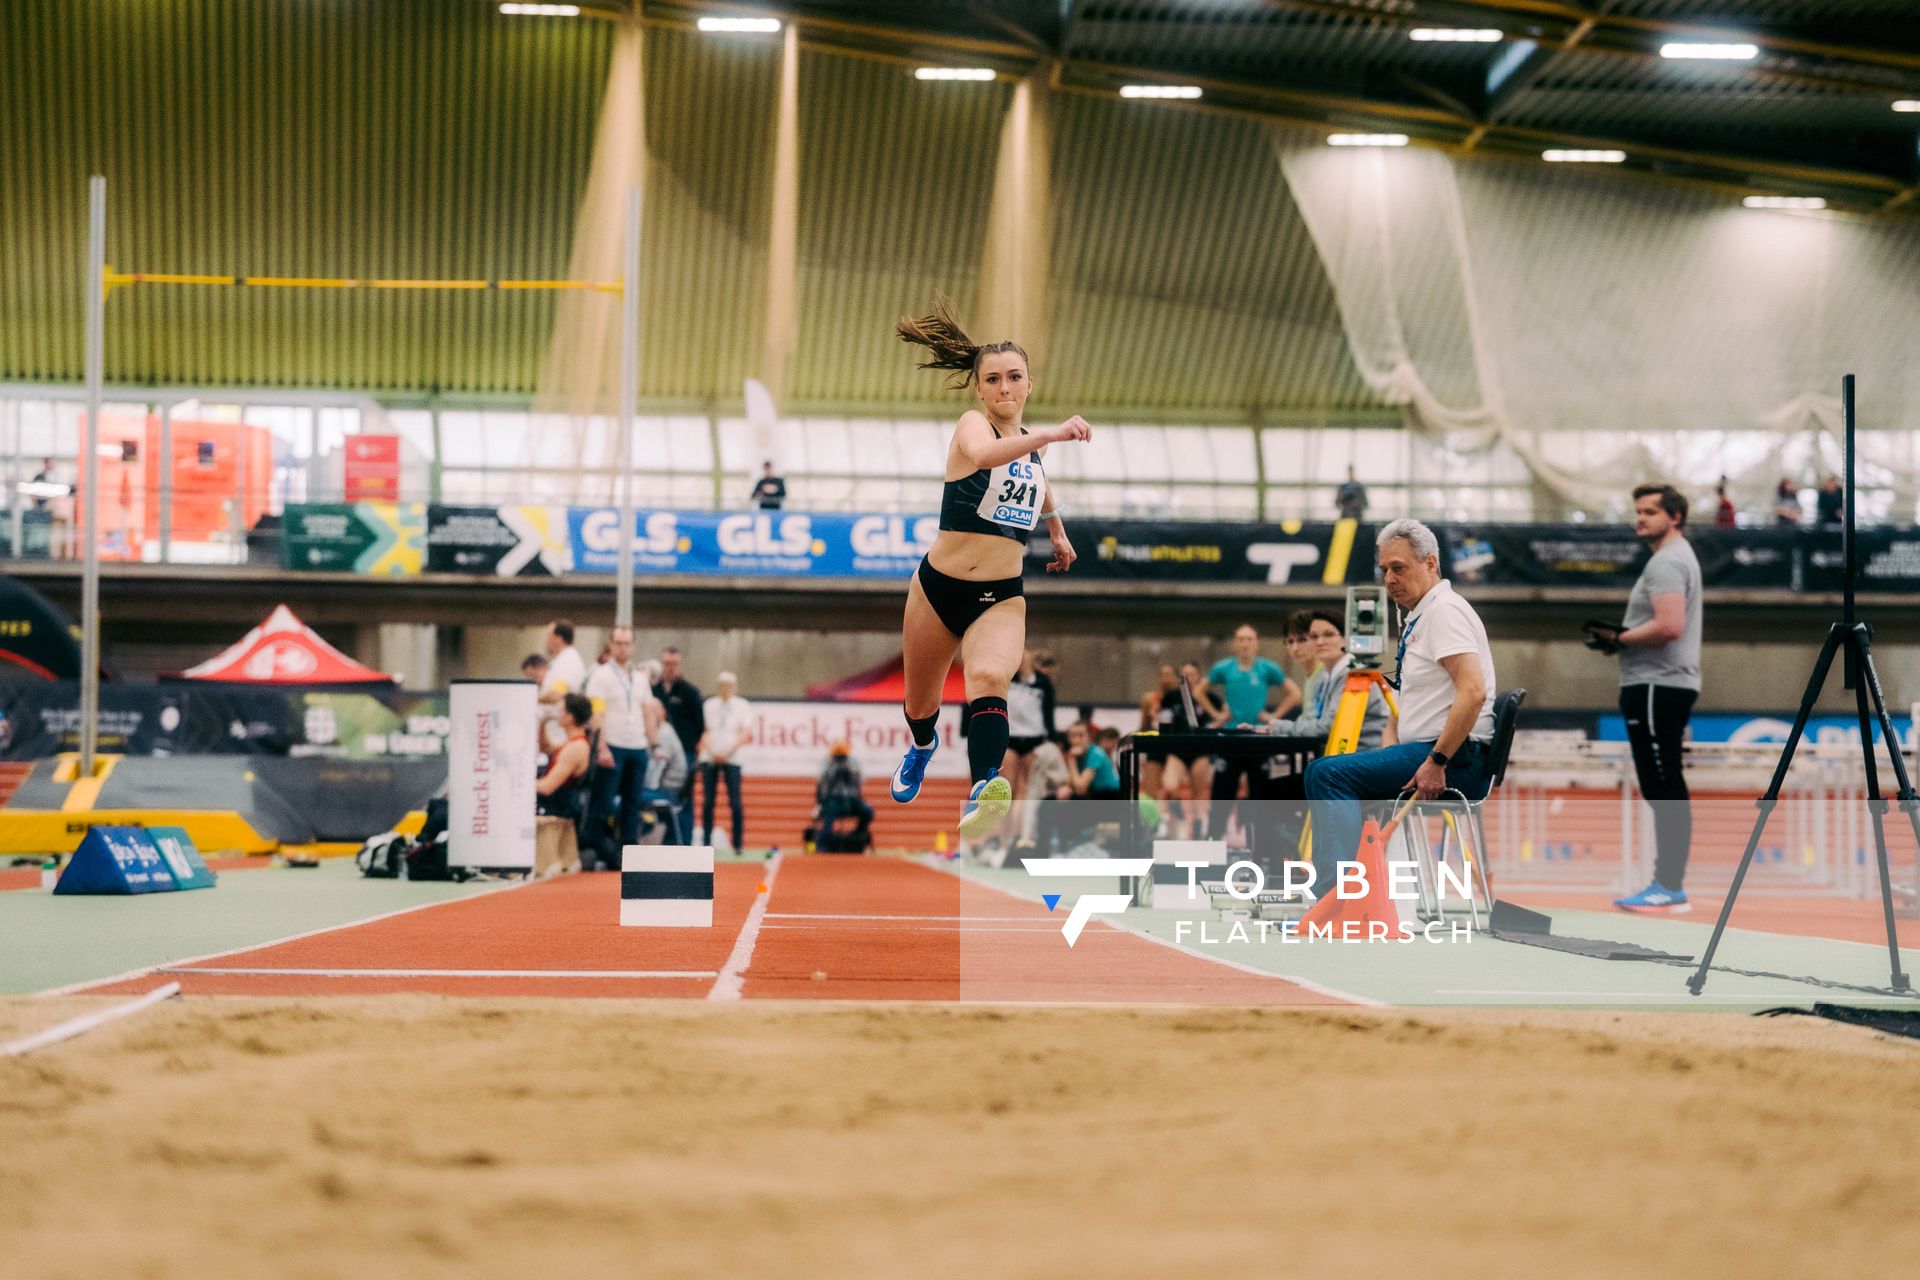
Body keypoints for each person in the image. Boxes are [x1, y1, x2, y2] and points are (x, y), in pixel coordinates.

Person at [888, 294, 1090, 840]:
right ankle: (922, 748)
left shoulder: (1031, 449)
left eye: (1014, 377)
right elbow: (983, 459)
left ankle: (983, 788)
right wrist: (1048, 433)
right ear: (980, 387)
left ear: (1029, 385)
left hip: (1001, 594)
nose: (1004, 387)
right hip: (937, 590)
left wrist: (1057, 530)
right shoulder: (973, 425)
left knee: (988, 678)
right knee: (920, 705)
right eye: (994, 379)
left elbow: (1038, 483)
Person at [1303, 519, 1496, 896]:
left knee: (1327, 775)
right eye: (1385, 569)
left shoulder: (1444, 612)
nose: (1389, 578)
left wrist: (1437, 761)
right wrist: (1395, 741)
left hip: (1454, 761)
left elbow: (1472, 692)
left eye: (1399, 568)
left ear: (1431, 564)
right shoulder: (1424, 613)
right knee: (1329, 773)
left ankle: (1337, 899)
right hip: (1435, 751)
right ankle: (1350, 894)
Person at [1602, 484, 1703, 914]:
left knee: (1663, 784)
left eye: (1650, 512)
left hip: (1656, 685)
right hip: (1659, 684)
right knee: (1663, 783)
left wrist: (1621, 638)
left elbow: (1669, 625)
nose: (1640, 518)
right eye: (1638, 511)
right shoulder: (1674, 559)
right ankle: (1667, 882)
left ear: (1674, 517)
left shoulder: (1667, 562)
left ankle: (1668, 884)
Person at [583, 625, 664, 870]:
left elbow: (648, 711)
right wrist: (602, 747)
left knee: (633, 803)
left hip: (637, 747)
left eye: (627, 643)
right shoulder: (601, 676)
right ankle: (596, 847)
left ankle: (628, 853)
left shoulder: (639, 678)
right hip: (613, 745)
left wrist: (654, 743)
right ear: (610, 645)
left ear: (633, 646)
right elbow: (596, 713)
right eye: (618, 642)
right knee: (604, 802)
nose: (623, 647)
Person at [652, 647, 705, 847]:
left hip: (685, 753)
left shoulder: (690, 692)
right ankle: (665, 841)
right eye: (667, 664)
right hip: (658, 753)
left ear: (679, 665)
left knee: (684, 799)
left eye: (674, 664)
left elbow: (700, 725)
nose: (670, 668)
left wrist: (689, 749)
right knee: (659, 795)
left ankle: (684, 842)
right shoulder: (654, 690)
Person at [697, 672, 753, 852]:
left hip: (732, 758)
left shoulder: (742, 706)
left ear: (734, 687)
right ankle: (706, 842)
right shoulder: (709, 705)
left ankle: (738, 843)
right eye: (722, 685)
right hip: (710, 757)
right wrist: (712, 751)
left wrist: (728, 752)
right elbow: (704, 731)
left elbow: (744, 733)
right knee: (708, 802)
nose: (725, 689)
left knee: (735, 802)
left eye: (728, 685)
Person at [809, 742, 873, 853]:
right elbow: (822, 783)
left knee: (867, 811)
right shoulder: (828, 764)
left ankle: (858, 834)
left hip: (852, 801)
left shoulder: (852, 764)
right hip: (833, 801)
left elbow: (860, 780)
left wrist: (849, 769)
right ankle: (823, 845)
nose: (840, 757)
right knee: (829, 817)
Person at [537, 620, 586, 749]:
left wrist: (532, 699)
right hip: (553, 730)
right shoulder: (562, 660)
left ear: (558, 638)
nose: (546, 641)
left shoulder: (567, 662)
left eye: (548, 636)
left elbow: (557, 694)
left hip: (558, 733)